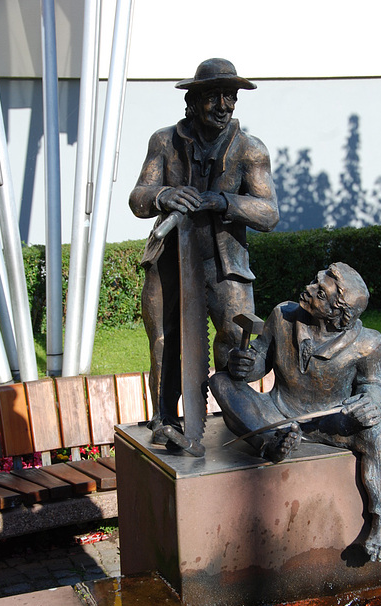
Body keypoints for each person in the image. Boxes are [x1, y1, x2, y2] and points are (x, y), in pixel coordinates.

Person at [129, 58, 279, 443]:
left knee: (235, 338)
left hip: (223, 265)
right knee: (164, 341)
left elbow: (268, 213)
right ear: (193, 102)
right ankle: (165, 419)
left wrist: (223, 201)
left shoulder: (250, 150)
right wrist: (163, 194)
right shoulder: (164, 141)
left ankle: (239, 419)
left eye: (230, 97)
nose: (225, 105)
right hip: (168, 260)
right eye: (214, 97)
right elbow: (138, 198)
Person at [209, 263, 381, 562]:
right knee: (221, 381)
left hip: (333, 421)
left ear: (339, 314)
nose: (309, 289)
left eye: (320, 292)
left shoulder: (367, 343)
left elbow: (372, 386)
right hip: (278, 414)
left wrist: (371, 405)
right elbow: (260, 359)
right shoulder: (283, 315)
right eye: (314, 281)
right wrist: (243, 364)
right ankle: (272, 442)